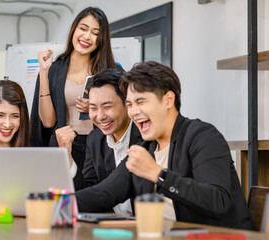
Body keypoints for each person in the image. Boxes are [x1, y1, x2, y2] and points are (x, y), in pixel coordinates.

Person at [75, 61, 255, 230]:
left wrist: (158, 175)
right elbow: (103, 194)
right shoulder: (145, 148)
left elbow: (217, 201)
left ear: (168, 100)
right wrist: (57, 202)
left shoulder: (203, 136)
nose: (134, 112)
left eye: (141, 101)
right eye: (129, 104)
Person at [30, 7, 119, 188]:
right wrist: (44, 71)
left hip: (101, 148)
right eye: (83, 28)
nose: (87, 37)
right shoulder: (54, 70)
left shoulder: (112, 73)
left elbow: (124, 114)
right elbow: (48, 122)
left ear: (101, 39)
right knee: (64, 202)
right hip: (66, 145)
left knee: (97, 201)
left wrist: (95, 108)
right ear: (74, 29)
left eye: (95, 33)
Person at [56, 69, 142, 214]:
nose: (100, 116)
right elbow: (88, 192)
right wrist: (68, 156)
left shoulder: (145, 137)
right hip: (111, 225)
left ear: (127, 104)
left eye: (107, 107)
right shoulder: (95, 139)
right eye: (93, 108)